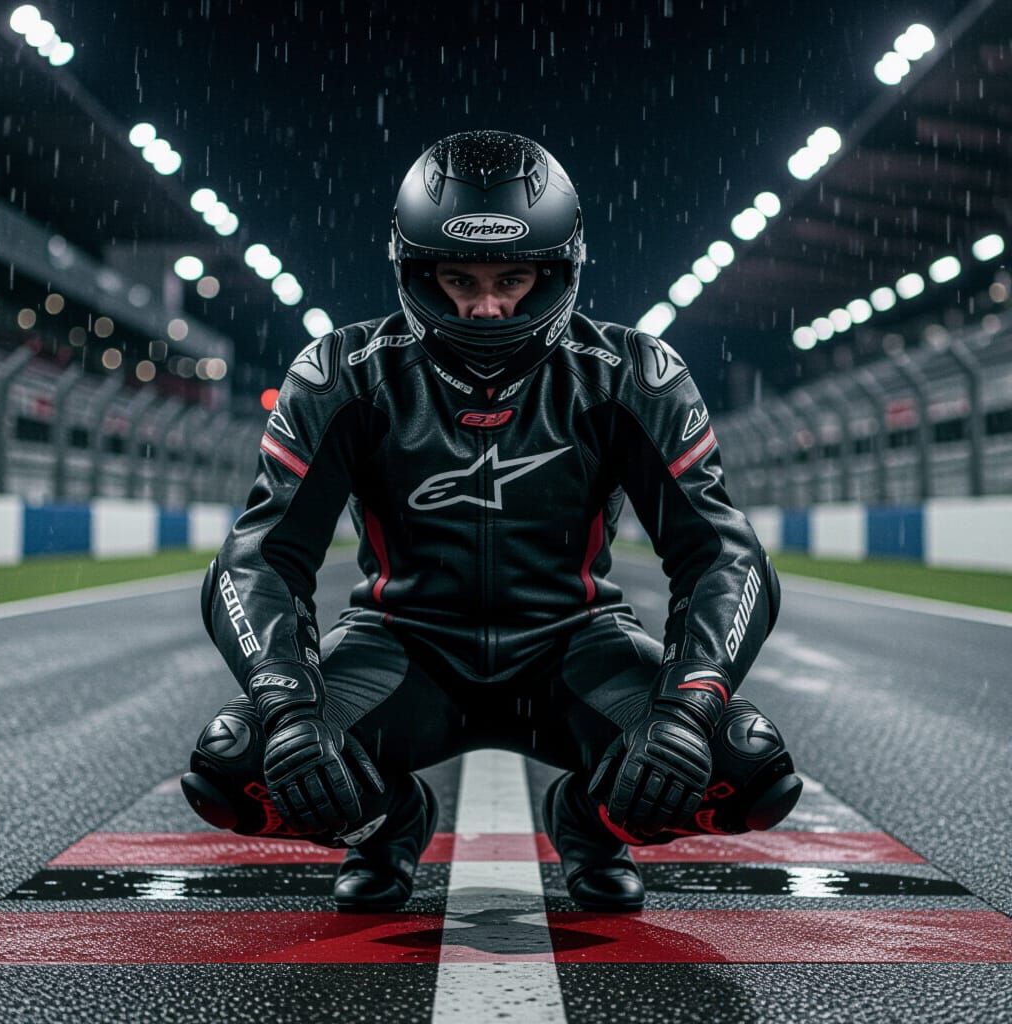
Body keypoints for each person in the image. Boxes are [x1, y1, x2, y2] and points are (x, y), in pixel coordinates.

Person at [181, 130, 802, 913]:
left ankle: (590, 820)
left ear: (559, 269)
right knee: (239, 765)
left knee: (741, 766)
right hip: (401, 648)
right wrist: (287, 705)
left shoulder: (635, 376)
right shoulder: (340, 373)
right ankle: (387, 821)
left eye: (512, 277)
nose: (485, 305)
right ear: (415, 269)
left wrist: (688, 708)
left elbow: (724, 559)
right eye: (456, 277)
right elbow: (260, 561)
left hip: (575, 648)